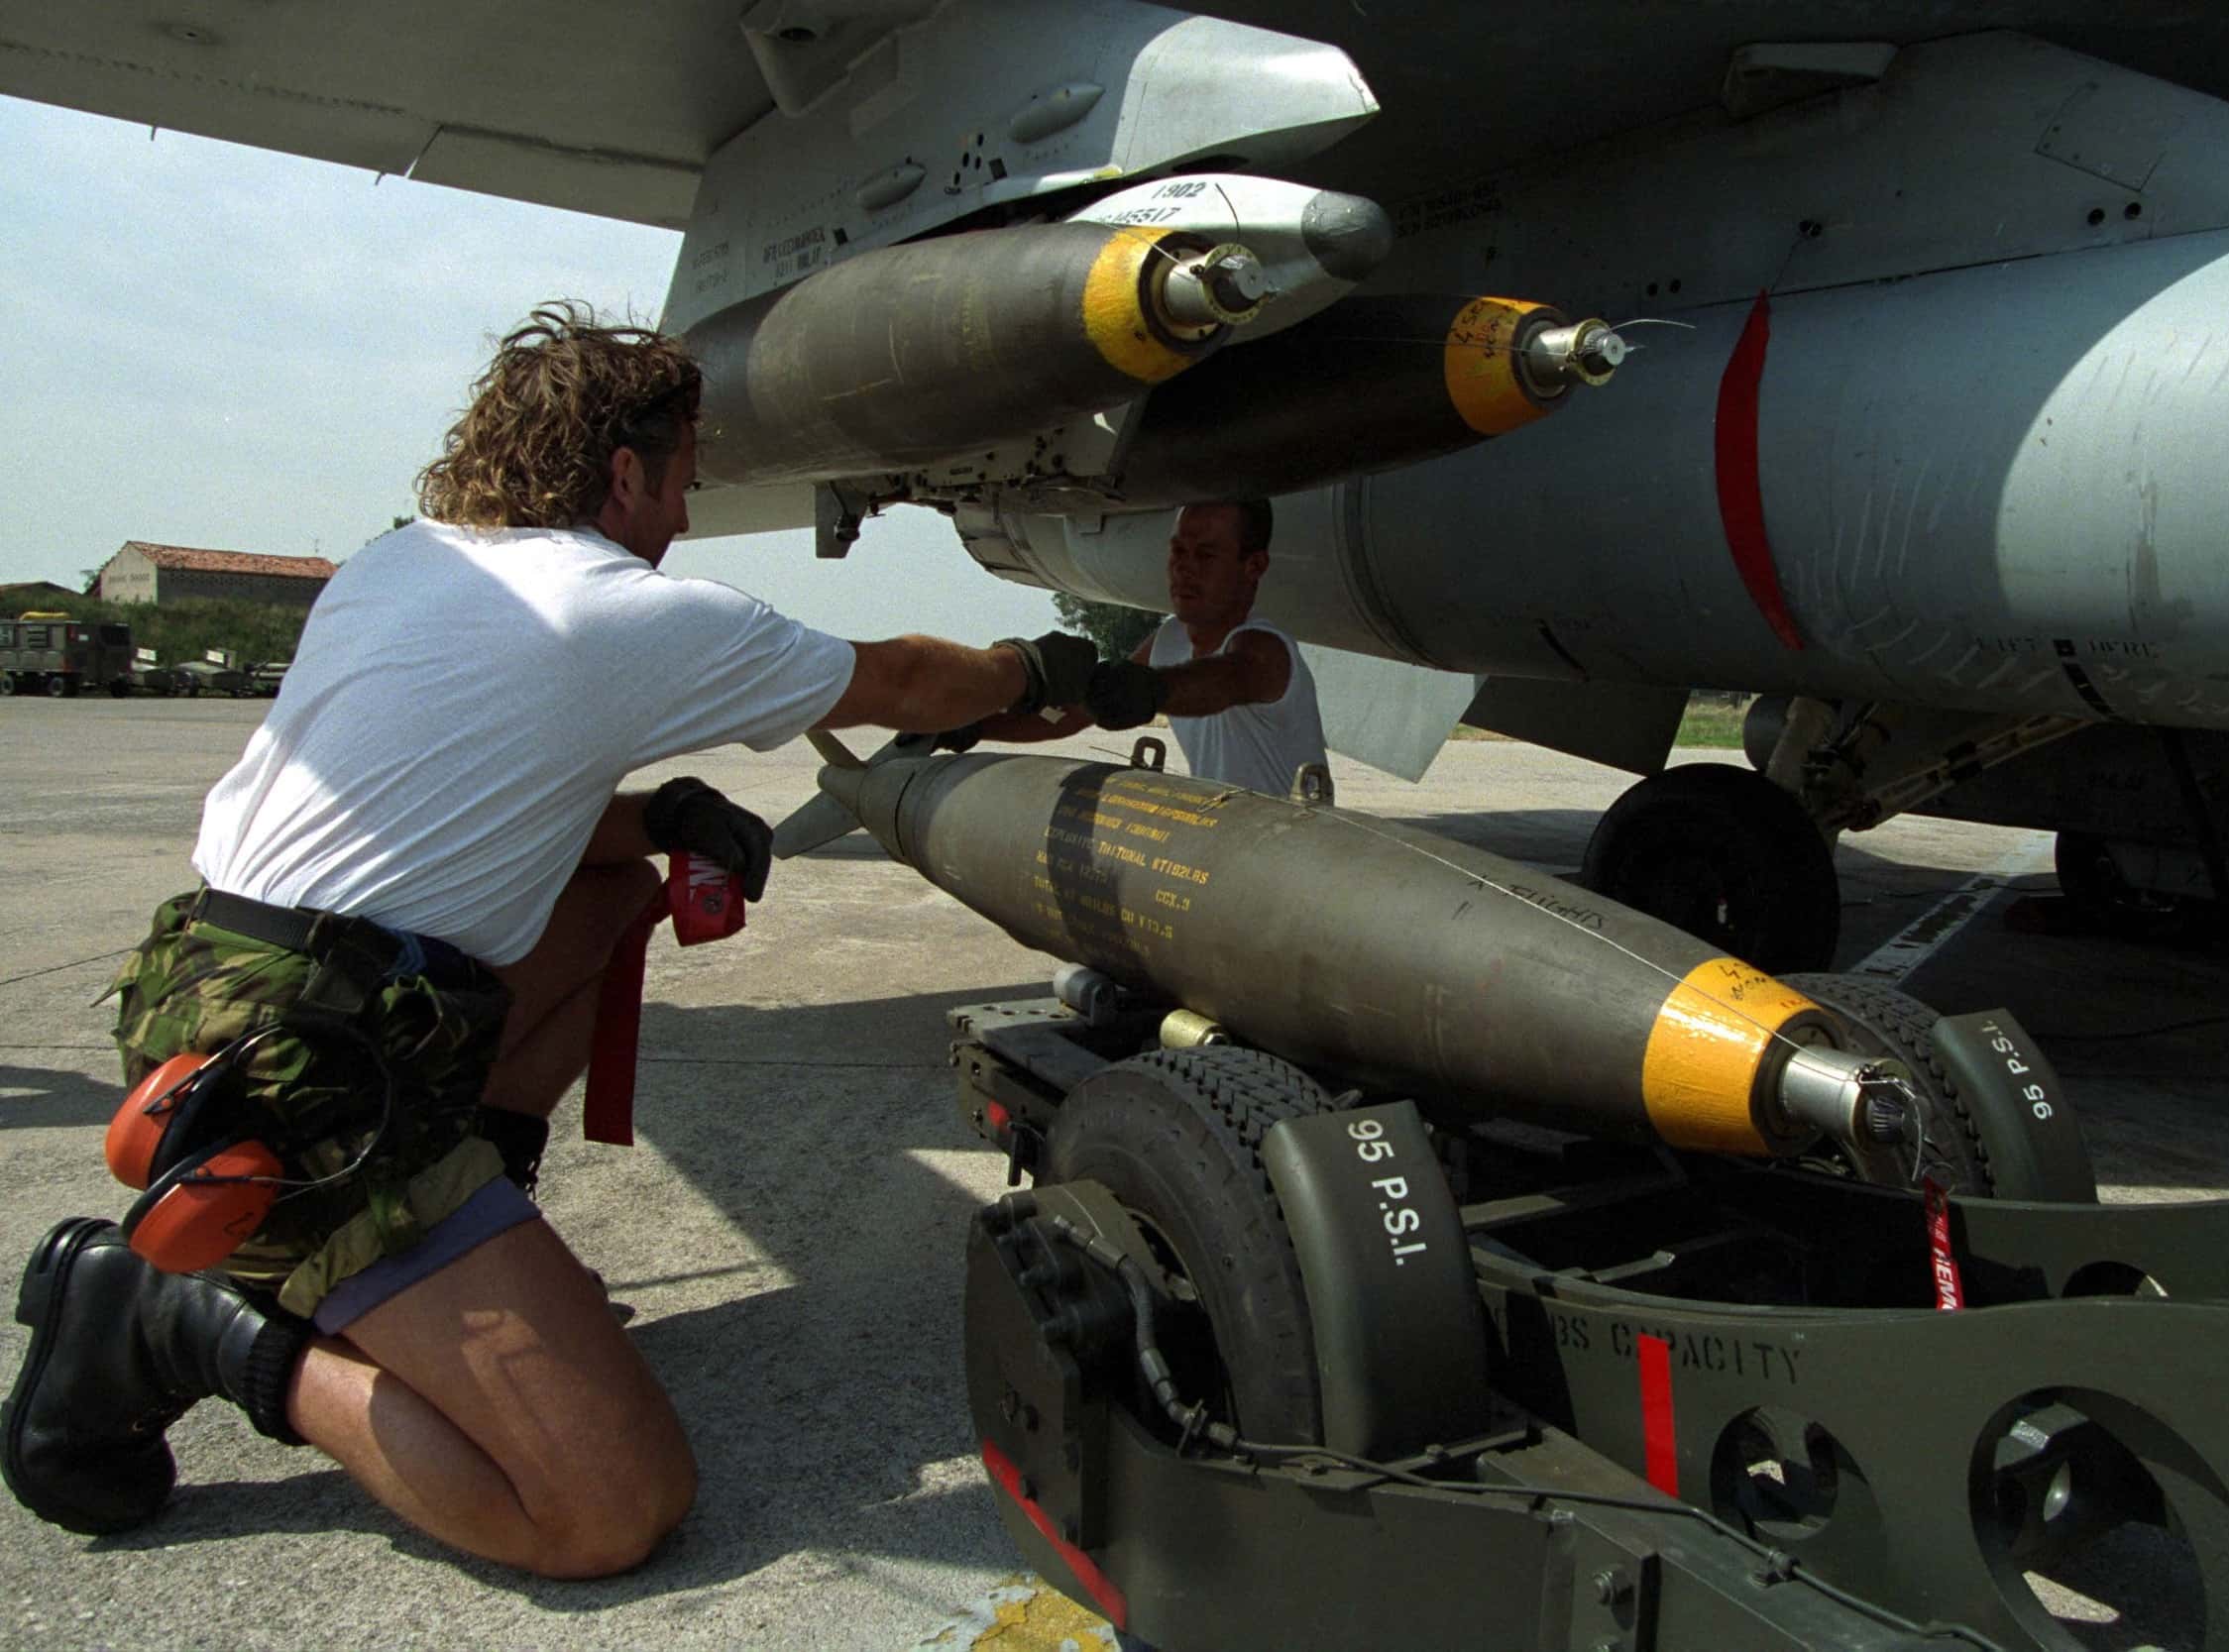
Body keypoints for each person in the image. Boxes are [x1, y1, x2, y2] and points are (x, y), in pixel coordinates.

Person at [0, 302, 1096, 1579]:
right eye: (683, 481)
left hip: (218, 989)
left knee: (611, 885)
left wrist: (655, 816)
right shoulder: (619, 609)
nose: (682, 516)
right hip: (316, 1089)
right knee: (608, 1506)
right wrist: (1030, 668)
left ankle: (473, 1201)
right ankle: (178, 1318)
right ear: (625, 472)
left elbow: (450, 812)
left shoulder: (399, 564)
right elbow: (905, 681)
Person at [966, 498, 1329, 796]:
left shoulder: (1265, 650)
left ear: (1254, 566)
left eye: (1205, 556)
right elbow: (1071, 716)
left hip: (1289, 849)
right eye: (1178, 551)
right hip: (1226, 838)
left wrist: (1147, 690)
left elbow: (1221, 683)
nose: (1184, 569)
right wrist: (972, 726)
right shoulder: (1171, 638)